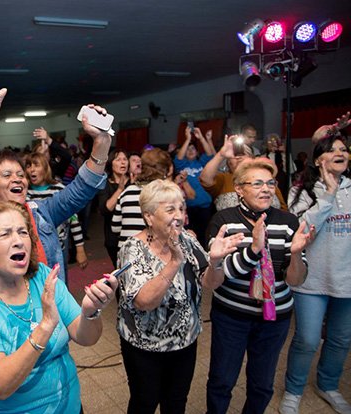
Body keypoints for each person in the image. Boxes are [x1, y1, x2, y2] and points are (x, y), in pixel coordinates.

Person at [0, 201, 118, 413]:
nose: (19, 241)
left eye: (23, 232)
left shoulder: (42, 276)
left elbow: (87, 338)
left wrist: (90, 312)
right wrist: (45, 326)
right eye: (5, 234)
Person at [0, 71, 111, 282]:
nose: (18, 179)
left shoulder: (43, 213)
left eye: (20, 174)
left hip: (50, 308)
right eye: (7, 175)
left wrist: (102, 142)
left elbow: (82, 188)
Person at [117, 179, 243, 414]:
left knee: (176, 402)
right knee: (145, 401)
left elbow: (210, 283)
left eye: (182, 208)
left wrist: (215, 262)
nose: (180, 215)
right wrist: (174, 262)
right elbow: (144, 302)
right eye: (170, 209)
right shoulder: (131, 249)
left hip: (184, 341)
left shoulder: (188, 240)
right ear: (149, 217)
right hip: (145, 346)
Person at [204, 159, 315, 414]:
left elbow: (296, 280)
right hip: (231, 317)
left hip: (274, 319)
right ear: (239, 189)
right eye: (257, 183)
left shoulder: (288, 222)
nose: (266, 189)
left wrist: (296, 254)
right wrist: (254, 249)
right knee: (221, 381)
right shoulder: (223, 222)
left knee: (262, 384)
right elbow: (220, 276)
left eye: (270, 183)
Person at [280, 134, 351, 414]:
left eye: (344, 149)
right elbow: (302, 233)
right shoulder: (301, 191)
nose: (340, 152)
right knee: (307, 339)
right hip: (312, 279)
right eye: (332, 149)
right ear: (319, 159)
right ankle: (294, 390)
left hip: (346, 279)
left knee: (340, 339)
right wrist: (328, 196)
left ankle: (328, 384)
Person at [25, 151, 88, 269]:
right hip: (32, 250)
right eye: (28, 166)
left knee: (60, 284)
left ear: (45, 168)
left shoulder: (59, 189)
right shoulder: (24, 192)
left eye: (36, 165)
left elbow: (74, 219)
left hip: (59, 247)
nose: (31, 169)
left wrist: (80, 249)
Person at [199, 134, 287, 211]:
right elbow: (205, 179)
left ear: (252, 159)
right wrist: (221, 155)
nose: (238, 158)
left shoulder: (266, 179)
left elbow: (283, 208)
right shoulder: (224, 179)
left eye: (243, 154)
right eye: (235, 155)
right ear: (228, 163)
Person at [174, 127, 215, 245]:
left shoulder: (202, 163)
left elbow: (209, 154)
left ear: (197, 152)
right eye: (188, 149)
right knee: (191, 237)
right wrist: (188, 139)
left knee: (205, 236)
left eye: (193, 149)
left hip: (205, 206)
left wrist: (201, 138)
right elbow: (179, 157)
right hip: (190, 208)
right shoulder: (182, 165)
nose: (191, 151)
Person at [98, 149, 129, 267]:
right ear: (111, 163)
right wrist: (120, 189)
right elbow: (105, 209)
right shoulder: (105, 184)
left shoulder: (133, 182)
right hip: (113, 237)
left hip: (133, 233)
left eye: (125, 159)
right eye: (118, 159)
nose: (123, 163)